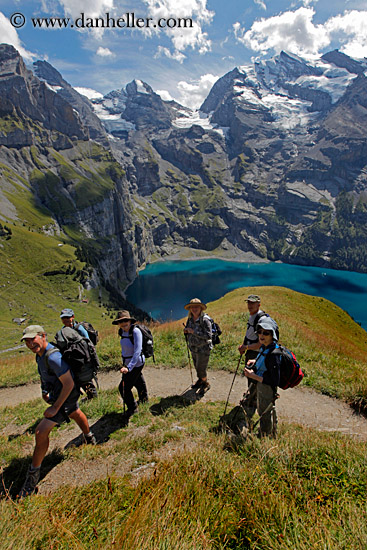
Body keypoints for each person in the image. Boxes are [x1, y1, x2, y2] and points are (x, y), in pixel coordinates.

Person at [19, 325, 96, 498]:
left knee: (40, 431)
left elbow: (68, 383)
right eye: (27, 341)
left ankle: (32, 477)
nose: (31, 343)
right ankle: (90, 437)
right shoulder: (40, 355)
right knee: (74, 411)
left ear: (43, 336)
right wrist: (45, 391)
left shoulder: (53, 357)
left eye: (34, 339)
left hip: (66, 394)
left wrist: (55, 407)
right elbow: (45, 376)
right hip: (61, 394)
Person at [241, 316, 281, 437]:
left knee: (265, 410)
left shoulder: (274, 354)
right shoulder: (265, 346)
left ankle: (265, 434)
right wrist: (254, 361)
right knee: (263, 408)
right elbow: (264, 360)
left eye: (266, 333)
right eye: (259, 332)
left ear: (272, 334)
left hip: (266, 387)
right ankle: (270, 431)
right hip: (262, 385)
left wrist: (252, 375)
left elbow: (274, 380)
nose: (261, 335)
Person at [112, 311, 148, 422]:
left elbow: (137, 351)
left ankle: (132, 408)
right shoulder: (122, 332)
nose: (123, 323)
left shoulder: (136, 332)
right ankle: (144, 399)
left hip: (136, 363)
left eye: (125, 321)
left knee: (123, 388)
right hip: (129, 363)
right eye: (120, 322)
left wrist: (129, 367)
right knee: (137, 380)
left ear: (130, 321)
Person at [60, 308, 98, 399]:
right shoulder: (64, 330)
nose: (65, 320)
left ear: (72, 317)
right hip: (74, 360)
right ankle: (89, 396)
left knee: (86, 378)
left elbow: (88, 342)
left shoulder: (79, 328)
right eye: (63, 318)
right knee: (78, 378)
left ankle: (93, 396)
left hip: (84, 358)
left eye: (67, 317)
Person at [183, 298, 212, 394]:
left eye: (196, 307)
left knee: (201, 368)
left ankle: (205, 384)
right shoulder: (190, 319)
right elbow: (188, 330)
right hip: (193, 348)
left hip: (203, 348)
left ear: (201, 308)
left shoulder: (205, 320)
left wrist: (193, 332)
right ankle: (201, 381)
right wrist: (186, 331)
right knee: (197, 366)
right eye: (192, 307)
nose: (194, 309)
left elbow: (208, 336)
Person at [238, 295, 264, 362]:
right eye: (248, 303)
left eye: (252, 303)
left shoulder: (261, 319)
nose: (250, 305)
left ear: (259, 305)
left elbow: (261, 343)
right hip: (251, 351)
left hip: (257, 354)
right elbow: (249, 333)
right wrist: (243, 346)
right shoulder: (252, 316)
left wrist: (246, 347)